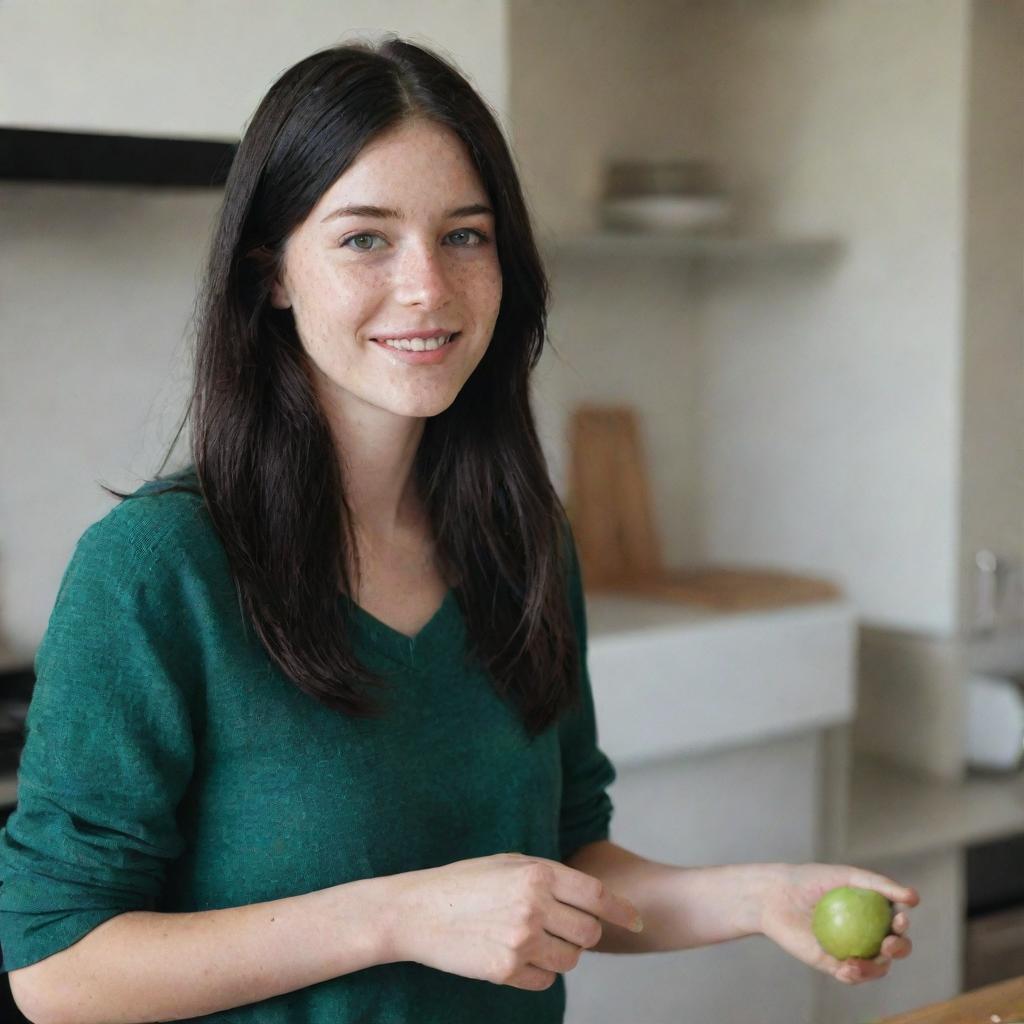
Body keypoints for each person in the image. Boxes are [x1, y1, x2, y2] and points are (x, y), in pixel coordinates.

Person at [0, 34, 917, 1024]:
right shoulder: (154, 570)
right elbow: (57, 967)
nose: (427, 286)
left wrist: (755, 896)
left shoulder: (522, 542)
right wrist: (394, 916)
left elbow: (566, 863)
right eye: (364, 237)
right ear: (271, 274)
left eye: (464, 235)